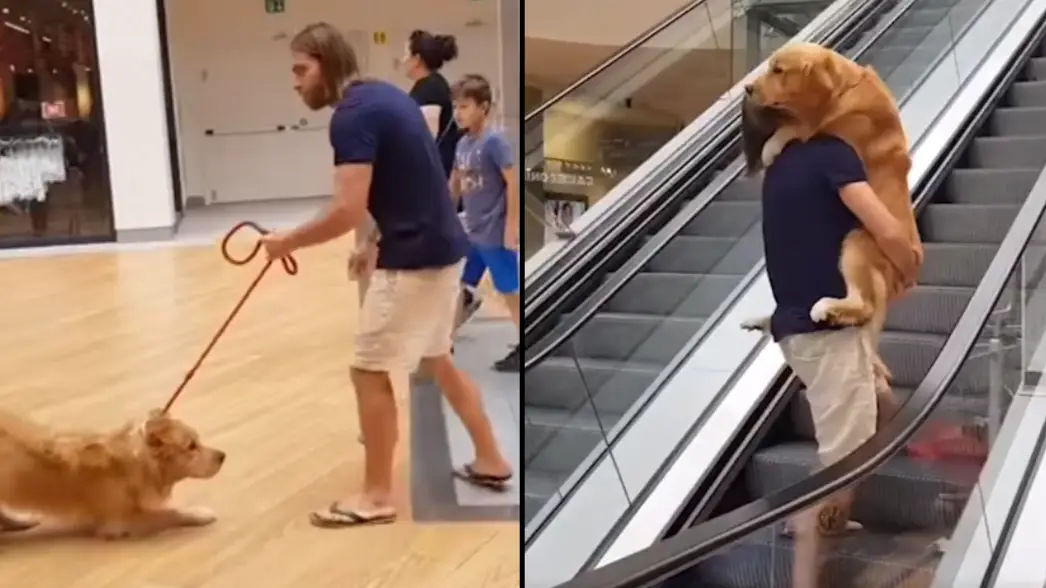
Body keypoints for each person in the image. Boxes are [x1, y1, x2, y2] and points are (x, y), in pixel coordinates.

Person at [261, 22, 513, 528]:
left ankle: (376, 495)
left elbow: (346, 211)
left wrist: (287, 241)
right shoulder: (383, 96)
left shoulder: (351, 118)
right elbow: (410, 183)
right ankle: (491, 459)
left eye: (300, 69)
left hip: (417, 261)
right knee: (437, 359)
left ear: (326, 64)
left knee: (368, 370)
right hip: (443, 251)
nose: (294, 82)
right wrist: (377, 241)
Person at [759, 133, 921, 586]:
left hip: (796, 327)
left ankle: (934, 452)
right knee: (842, 467)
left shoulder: (781, 163)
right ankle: (808, 555)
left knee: (877, 395)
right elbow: (888, 229)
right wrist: (908, 267)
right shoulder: (833, 153)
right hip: (829, 333)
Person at [399, 29, 484, 326]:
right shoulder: (430, 87)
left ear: (417, 58)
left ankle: (458, 300)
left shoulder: (429, 90)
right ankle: (457, 300)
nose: (402, 59)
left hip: (437, 181)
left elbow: (425, 139)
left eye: (405, 53)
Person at [449, 74, 520, 372]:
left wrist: (511, 227)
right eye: (455, 106)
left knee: (510, 291)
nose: (458, 113)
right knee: (459, 285)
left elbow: (512, 182)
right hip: (473, 231)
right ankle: (444, 344)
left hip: (494, 231)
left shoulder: (494, 142)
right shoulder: (462, 144)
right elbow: (454, 184)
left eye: (464, 106)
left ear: (483, 107)